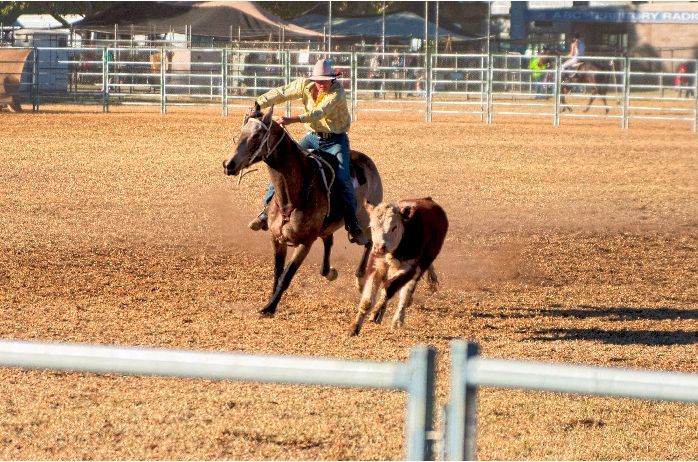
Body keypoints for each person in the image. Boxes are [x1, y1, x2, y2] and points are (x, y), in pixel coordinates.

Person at [245, 58, 368, 245]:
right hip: (312, 136)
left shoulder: (337, 92)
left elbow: (319, 112)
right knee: (282, 167)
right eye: (319, 80)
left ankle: (352, 223)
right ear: (313, 79)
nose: (322, 83)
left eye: (325, 80)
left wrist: (292, 119)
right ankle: (265, 212)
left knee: (343, 178)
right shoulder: (304, 85)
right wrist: (259, 102)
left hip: (335, 140)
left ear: (333, 79)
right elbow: (282, 93)